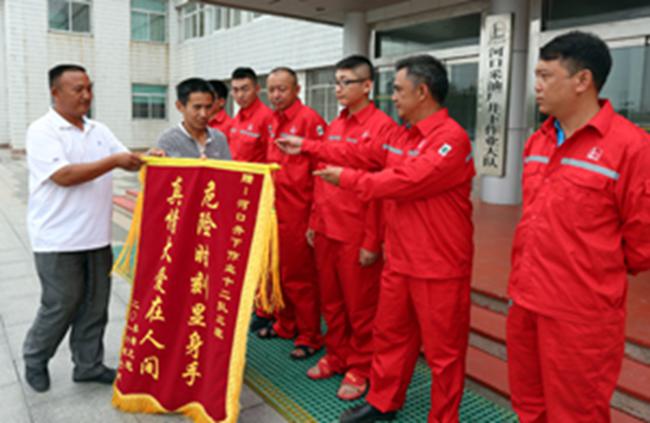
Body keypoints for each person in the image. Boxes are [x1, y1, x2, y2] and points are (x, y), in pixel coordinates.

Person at [277, 55, 475, 422]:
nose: (393, 97)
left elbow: (407, 181)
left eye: (398, 90)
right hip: (400, 257)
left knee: (444, 353)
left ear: (422, 91)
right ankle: (384, 402)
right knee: (390, 335)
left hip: (438, 264)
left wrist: (348, 179)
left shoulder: (451, 140)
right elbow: (356, 152)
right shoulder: (401, 135)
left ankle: (443, 417)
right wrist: (306, 146)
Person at [507, 31, 650, 423]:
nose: (536, 86)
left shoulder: (631, 147)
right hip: (526, 300)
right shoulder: (538, 141)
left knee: (577, 414)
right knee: (529, 405)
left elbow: (642, 241)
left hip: (581, 316)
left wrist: (590, 269)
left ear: (582, 80)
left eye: (545, 76)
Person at [23, 64, 143, 393]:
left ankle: (88, 365)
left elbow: (125, 157)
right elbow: (64, 176)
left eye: (89, 88)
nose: (86, 95)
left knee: (95, 304)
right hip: (57, 239)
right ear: (55, 92)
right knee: (61, 304)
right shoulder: (42, 130)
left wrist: (150, 158)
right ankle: (35, 357)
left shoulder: (97, 129)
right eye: (78, 89)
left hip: (97, 236)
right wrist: (115, 162)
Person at [302, 55, 397, 401]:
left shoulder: (383, 127)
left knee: (361, 307)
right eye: (337, 82)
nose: (338, 89)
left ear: (367, 85)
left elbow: (383, 189)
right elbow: (321, 175)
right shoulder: (336, 124)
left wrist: (373, 240)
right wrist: (314, 220)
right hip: (327, 228)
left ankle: (361, 366)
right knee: (332, 301)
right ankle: (337, 354)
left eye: (346, 82)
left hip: (356, 232)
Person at [257, 66, 326, 360]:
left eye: (282, 89)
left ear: (297, 90)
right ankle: (286, 324)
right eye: (271, 90)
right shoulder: (272, 121)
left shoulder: (310, 120)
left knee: (301, 277)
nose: (275, 95)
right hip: (276, 210)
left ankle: (310, 335)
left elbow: (322, 171)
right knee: (280, 271)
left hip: (300, 211)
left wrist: (315, 218)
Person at [157, 77, 231, 160]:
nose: (203, 114)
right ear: (180, 106)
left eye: (208, 107)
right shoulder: (169, 140)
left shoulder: (219, 139)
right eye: (197, 107)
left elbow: (227, 167)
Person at [228, 67, 273, 163]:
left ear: (257, 89)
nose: (240, 95)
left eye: (245, 89)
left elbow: (274, 157)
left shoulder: (268, 118)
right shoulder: (237, 118)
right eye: (235, 90)